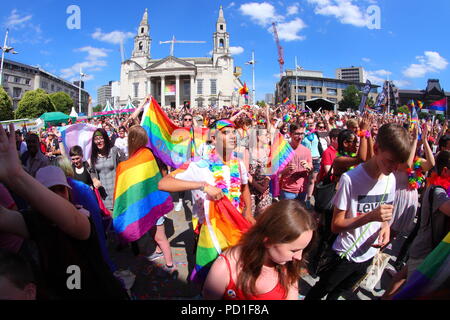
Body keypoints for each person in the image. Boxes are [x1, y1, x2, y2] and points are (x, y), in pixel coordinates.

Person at [0, 124, 128, 299]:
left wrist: (15, 176)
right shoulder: (36, 221)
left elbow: (71, 222)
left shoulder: (82, 217)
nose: (57, 196)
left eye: (61, 189)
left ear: (69, 192)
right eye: (50, 191)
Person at [305, 123, 411, 300]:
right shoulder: (351, 179)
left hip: (368, 254)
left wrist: (384, 227)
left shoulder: (390, 179)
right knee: (321, 290)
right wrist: (370, 216)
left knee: (339, 293)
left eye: (398, 163)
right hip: (345, 254)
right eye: (390, 161)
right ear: (376, 149)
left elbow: (384, 214)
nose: (394, 168)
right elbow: (336, 225)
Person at [202, 200, 315, 300]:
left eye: (303, 250)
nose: (299, 257)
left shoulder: (288, 264)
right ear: (268, 241)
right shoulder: (225, 268)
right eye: (294, 250)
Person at [89, 128, 125, 212]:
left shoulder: (114, 151)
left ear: (105, 138)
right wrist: (94, 179)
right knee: (111, 222)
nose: (99, 141)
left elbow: (124, 165)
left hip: (117, 193)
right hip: (104, 196)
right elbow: (92, 171)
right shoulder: (93, 156)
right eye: (96, 139)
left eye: (101, 138)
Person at [279, 123, 312, 202]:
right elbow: (277, 171)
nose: (300, 137)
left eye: (301, 134)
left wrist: (308, 167)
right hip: (288, 190)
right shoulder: (283, 150)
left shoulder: (306, 150)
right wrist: (286, 169)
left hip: (302, 189)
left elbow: (310, 167)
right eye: (297, 134)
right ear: (290, 134)